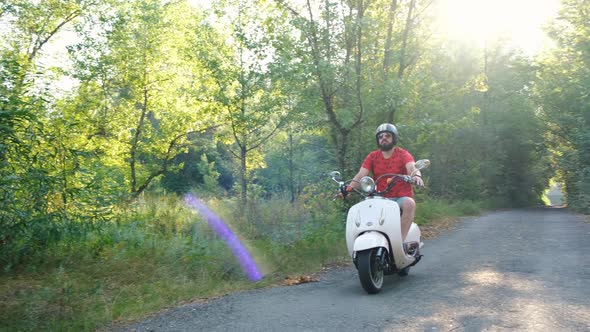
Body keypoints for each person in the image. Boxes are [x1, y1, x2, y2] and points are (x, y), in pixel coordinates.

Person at [347, 123, 424, 246]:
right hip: (379, 198)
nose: (383, 138)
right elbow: (361, 175)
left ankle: (400, 242)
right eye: (380, 136)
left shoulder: (402, 154)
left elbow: (412, 167)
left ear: (394, 138)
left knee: (409, 204)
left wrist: (416, 175)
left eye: (387, 135)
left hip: (400, 197)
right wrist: (348, 189)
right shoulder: (372, 156)